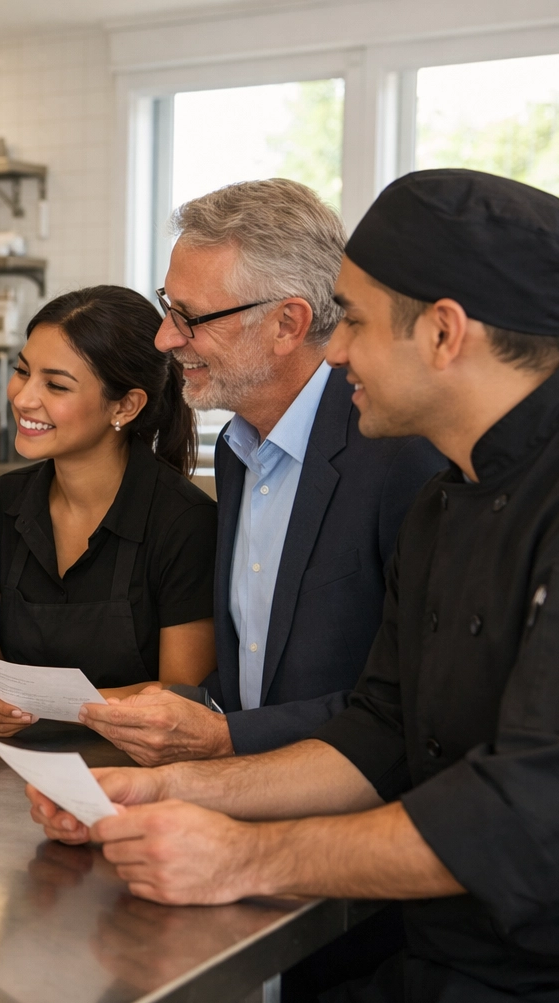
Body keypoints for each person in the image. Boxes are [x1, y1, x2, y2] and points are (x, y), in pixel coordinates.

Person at [28, 169, 559, 1003]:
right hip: (448, 956)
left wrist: (245, 860)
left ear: (445, 334)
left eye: (359, 325)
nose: (335, 353)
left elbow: (535, 817)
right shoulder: (452, 491)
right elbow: (380, 729)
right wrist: (168, 792)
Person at [90, 179, 442, 765]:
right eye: (165, 306)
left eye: (190, 317)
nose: (165, 337)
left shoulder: (400, 454)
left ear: (287, 324)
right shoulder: (238, 448)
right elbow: (256, 675)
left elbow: (415, 698)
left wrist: (227, 737)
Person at [0, 286, 216, 738]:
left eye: (56, 385)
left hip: (140, 772)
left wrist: (44, 704)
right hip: (13, 768)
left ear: (125, 405)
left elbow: (183, 694)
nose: (24, 398)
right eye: (22, 371)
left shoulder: (184, 523)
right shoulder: (5, 502)